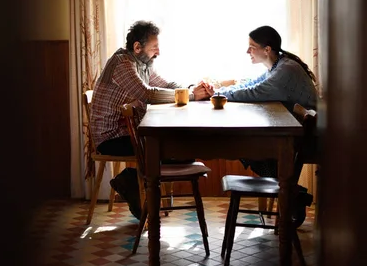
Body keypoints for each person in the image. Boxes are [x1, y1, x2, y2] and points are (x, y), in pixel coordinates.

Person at [89, 20, 212, 219]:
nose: (158, 52)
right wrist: (189, 96)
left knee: (184, 152)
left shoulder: (142, 64)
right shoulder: (122, 63)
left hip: (130, 133)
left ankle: (132, 181)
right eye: (154, 47)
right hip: (111, 139)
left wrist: (191, 88)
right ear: (137, 47)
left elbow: (166, 85)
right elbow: (148, 94)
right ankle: (131, 182)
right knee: (175, 151)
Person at [203, 25, 318, 223]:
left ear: (267, 49)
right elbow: (250, 85)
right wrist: (220, 90)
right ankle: (290, 191)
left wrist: (218, 94)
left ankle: (291, 191)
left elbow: (255, 92)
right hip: (294, 133)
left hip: (306, 141)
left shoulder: (286, 69)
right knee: (244, 144)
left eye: (252, 46)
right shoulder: (279, 65)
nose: (248, 51)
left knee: (242, 143)